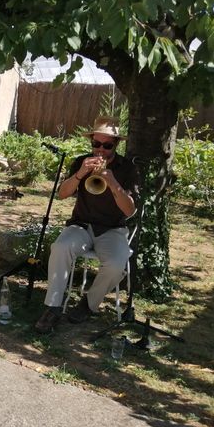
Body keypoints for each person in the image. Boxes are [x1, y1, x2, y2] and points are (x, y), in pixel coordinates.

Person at [34, 116, 139, 333]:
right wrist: (81, 173)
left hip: (112, 228)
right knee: (60, 247)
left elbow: (129, 211)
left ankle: (89, 303)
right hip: (81, 225)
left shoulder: (127, 168)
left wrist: (113, 183)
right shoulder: (81, 162)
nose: (100, 150)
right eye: (96, 144)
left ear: (116, 144)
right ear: (91, 141)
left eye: (107, 145)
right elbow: (62, 195)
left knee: (118, 264)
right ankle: (52, 307)